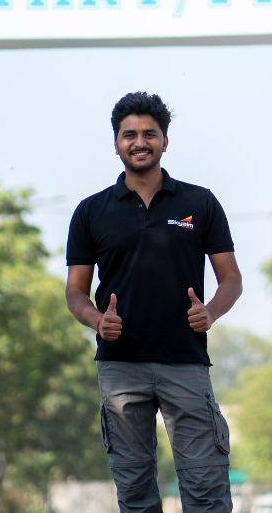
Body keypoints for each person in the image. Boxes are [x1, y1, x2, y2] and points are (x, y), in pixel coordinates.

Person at [65, 91, 243, 512]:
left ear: (165, 141)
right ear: (116, 143)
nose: (140, 142)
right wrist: (96, 320)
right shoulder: (91, 211)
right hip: (120, 368)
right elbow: (75, 291)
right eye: (130, 135)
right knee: (135, 492)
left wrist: (210, 312)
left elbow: (232, 279)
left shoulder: (199, 202)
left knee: (206, 488)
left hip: (185, 361)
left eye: (150, 134)